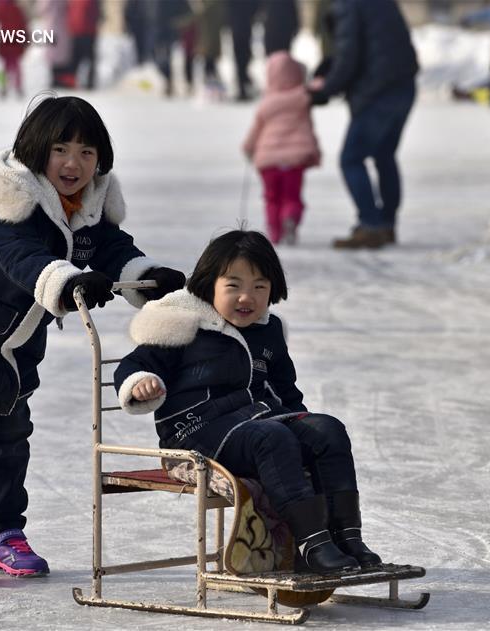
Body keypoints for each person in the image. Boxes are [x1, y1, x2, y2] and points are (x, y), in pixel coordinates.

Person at [0, 95, 187, 587]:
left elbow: (112, 247)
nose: (73, 163)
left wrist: (146, 275)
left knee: (10, 435)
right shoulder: (11, 205)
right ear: (36, 151)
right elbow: (23, 257)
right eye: (60, 149)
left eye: (86, 152)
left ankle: (3, 533)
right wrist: (73, 281)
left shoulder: (89, 205)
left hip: (13, 338)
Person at [114, 230, 381, 575]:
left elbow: (285, 390)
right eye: (233, 286)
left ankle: (346, 536)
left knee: (328, 429)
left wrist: (307, 430)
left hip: (254, 424)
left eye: (259, 286)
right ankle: (311, 543)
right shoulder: (181, 324)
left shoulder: (267, 330)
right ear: (210, 284)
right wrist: (140, 384)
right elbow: (133, 366)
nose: (247, 297)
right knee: (272, 438)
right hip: (196, 433)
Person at [308, 0, 419, 250]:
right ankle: (387, 224)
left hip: (377, 92)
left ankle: (370, 226)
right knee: (384, 155)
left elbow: (349, 56)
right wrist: (333, 68)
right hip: (403, 86)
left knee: (351, 159)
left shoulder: (350, 5)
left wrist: (326, 88)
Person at [242, 52, 321, 245]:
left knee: (271, 199)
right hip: (294, 161)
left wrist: (248, 147)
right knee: (291, 196)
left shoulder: (266, 103)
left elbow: (255, 131)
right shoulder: (302, 97)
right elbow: (320, 86)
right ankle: (290, 218)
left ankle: (275, 234)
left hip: (268, 161)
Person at [0, 0, 28, 98]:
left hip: (6, 39)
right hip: (16, 39)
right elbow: (23, 23)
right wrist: (26, 37)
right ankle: (18, 86)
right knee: (16, 65)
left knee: (6, 66)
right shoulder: (17, 8)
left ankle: (4, 87)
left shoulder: (0, 8)